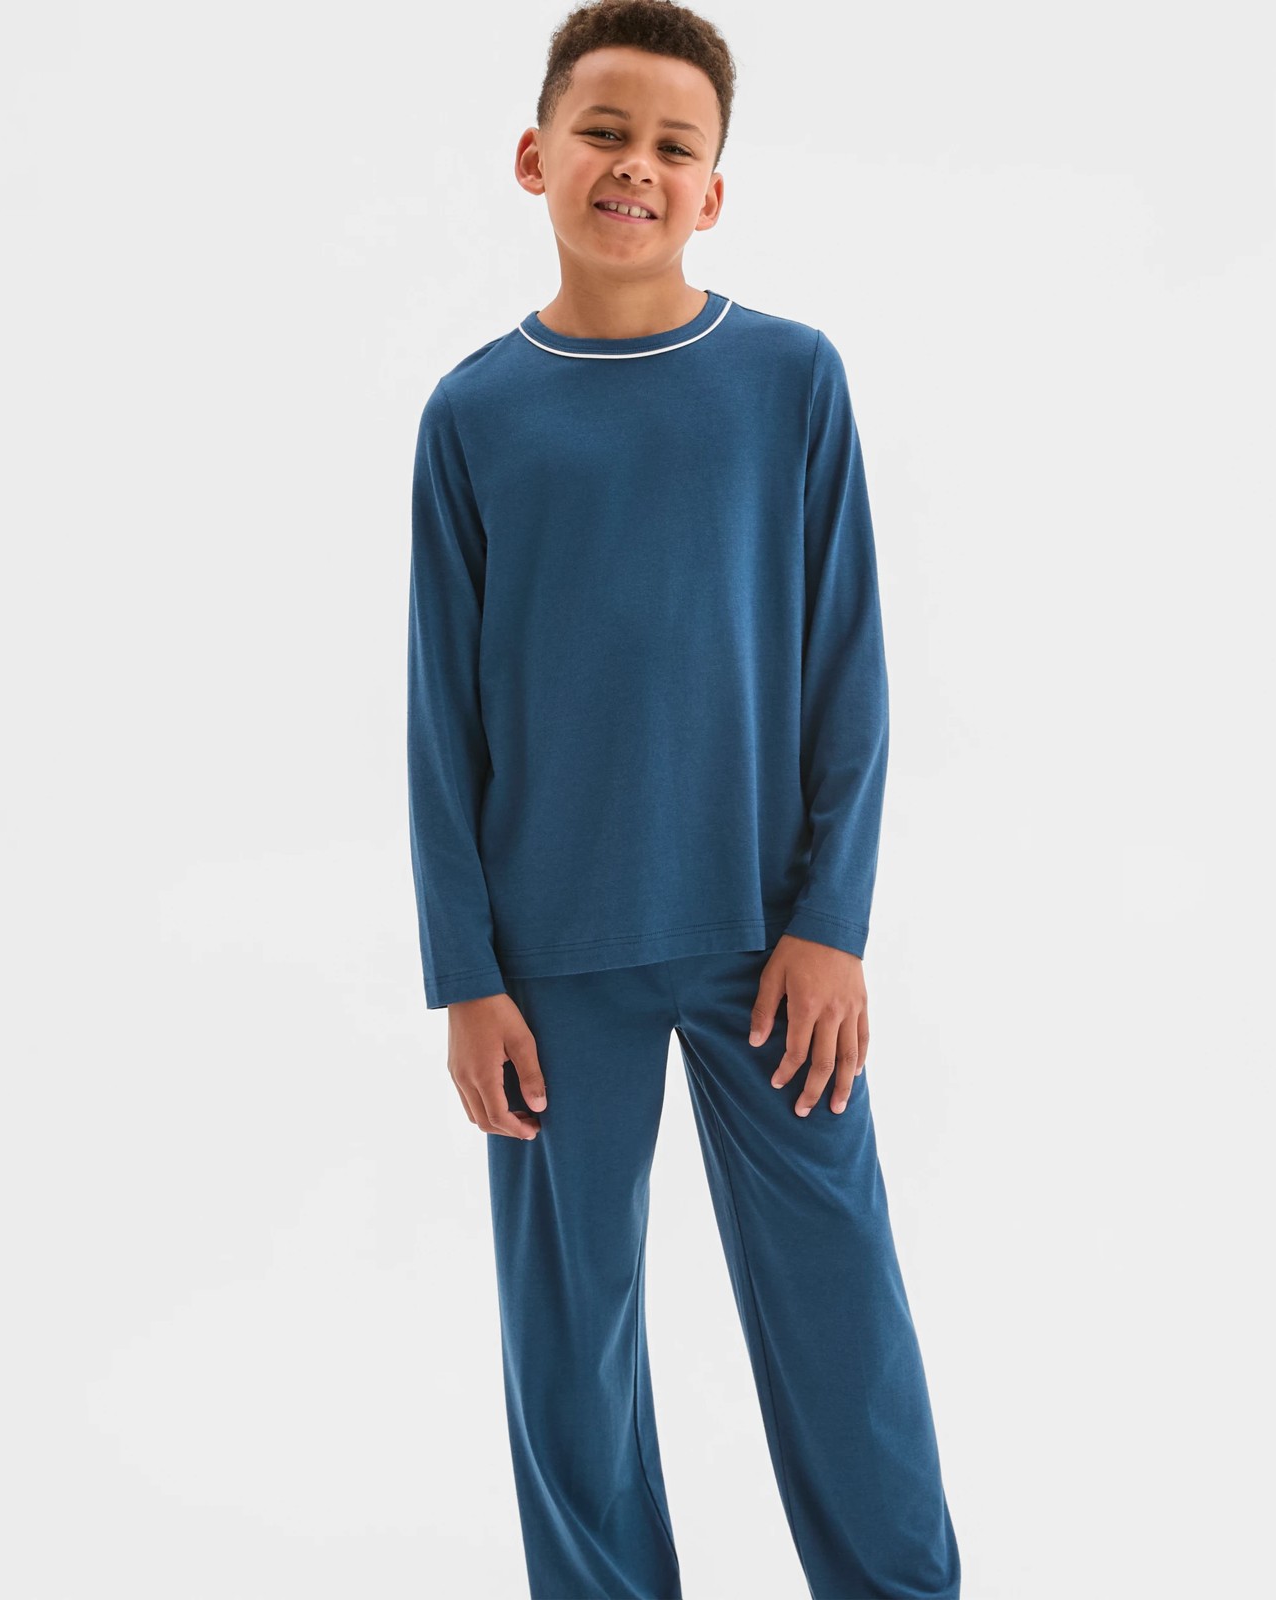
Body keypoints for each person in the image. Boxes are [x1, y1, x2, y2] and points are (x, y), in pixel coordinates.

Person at [406, 3, 962, 1594]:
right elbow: (440, 722)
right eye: (604, 132)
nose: (633, 166)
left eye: (672, 146)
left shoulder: (790, 381)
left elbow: (849, 671)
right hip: (548, 966)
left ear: (713, 190)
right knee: (568, 1350)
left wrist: (833, 925)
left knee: (840, 1313)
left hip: (769, 948)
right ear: (536, 156)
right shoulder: (474, 414)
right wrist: (464, 976)